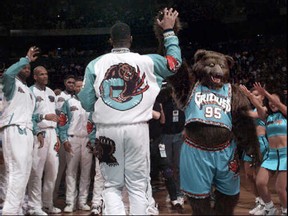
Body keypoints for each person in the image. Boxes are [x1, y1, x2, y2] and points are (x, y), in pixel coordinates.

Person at [78, 7, 182, 215]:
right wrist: (168, 32)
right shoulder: (146, 61)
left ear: (110, 41)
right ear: (131, 39)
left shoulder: (95, 65)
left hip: (107, 132)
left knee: (111, 186)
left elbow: (87, 103)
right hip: (137, 130)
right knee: (137, 186)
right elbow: (174, 64)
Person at [0, 46, 40, 215]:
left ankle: (15, 210)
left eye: (28, 68)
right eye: (23, 67)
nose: (26, 69)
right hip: (13, 128)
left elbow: (31, 115)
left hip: (27, 131)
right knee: (16, 171)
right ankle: (9, 211)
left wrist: (37, 130)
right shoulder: (10, 83)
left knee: (23, 173)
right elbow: (8, 74)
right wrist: (26, 58)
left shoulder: (29, 92)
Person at [27, 66, 61, 215]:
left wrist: (58, 135)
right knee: (36, 172)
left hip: (53, 133)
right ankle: (34, 206)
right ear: (35, 77)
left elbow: (55, 116)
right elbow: (28, 115)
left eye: (46, 74)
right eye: (41, 74)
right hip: (39, 134)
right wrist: (37, 130)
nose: (45, 76)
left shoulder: (51, 92)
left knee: (52, 171)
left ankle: (47, 204)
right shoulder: (30, 91)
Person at [250, 82, 287, 215]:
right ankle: (270, 208)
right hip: (271, 156)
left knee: (280, 189)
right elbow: (258, 107)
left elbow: (280, 105)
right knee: (260, 182)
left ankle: (285, 210)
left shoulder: (285, 113)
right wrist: (249, 95)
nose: (272, 104)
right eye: (270, 102)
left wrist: (266, 93)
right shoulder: (267, 116)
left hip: (285, 156)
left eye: (275, 101)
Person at [58, 77, 93, 212]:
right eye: (77, 86)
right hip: (72, 139)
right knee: (71, 172)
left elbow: (94, 123)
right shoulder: (68, 102)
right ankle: (70, 202)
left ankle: (82, 201)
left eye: (81, 86)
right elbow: (62, 122)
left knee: (86, 173)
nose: (79, 88)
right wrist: (64, 140)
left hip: (87, 140)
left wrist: (93, 140)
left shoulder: (91, 103)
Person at [149, 98, 184, 212]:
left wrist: (161, 108)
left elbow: (161, 119)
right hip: (145, 141)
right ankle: (148, 200)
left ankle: (175, 198)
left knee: (167, 169)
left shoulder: (157, 103)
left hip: (159, 140)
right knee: (148, 172)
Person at [239, 84, 269, 215]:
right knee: (248, 175)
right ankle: (258, 200)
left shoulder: (264, 109)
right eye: (253, 95)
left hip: (260, 144)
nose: (255, 97)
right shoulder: (251, 109)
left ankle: (265, 203)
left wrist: (248, 96)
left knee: (258, 176)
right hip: (249, 144)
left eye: (257, 95)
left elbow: (252, 113)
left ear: (262, 96)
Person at [160, 86, 185, 204]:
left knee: (179, 166)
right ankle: (172, 193)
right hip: (165, 136)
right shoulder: (163, 99)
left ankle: (180, 193)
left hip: (179, 135)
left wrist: (185, 129)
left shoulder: (183, 100)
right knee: (168, 166)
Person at [53, 74, 75, 202]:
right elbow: (59, 118)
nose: (71, 84)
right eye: (69, 82)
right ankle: (53, 197)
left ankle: (69, 198)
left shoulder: (77, 97)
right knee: (60, 169)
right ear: (65, 83)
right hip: (63, 136)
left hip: (74, 137)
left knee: (71, 170)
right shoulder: (61, 97)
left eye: (73, 82)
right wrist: (60, 136)